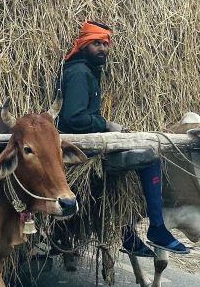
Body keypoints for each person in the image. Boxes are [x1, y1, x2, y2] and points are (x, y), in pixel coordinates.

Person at [56, 20, 189, 256]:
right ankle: (156, 229)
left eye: (105, 44)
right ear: (84, 44)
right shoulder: (78, 72)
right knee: (149, 159)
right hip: (81, 148)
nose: (103, 49)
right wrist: (107, 125)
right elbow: (73, 118)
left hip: (91, 143)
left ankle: (128, 235)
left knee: (137, 159)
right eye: (96, 43)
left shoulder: (89, 72)